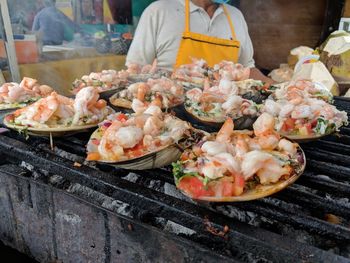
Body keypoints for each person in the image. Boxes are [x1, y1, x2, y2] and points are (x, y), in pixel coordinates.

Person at [126, 0, 272, 83]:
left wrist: (280, 87)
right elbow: (135, 70)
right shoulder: (159, 11)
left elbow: (248, 69)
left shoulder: (235, 16)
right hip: (170, 115)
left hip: (221, 115)